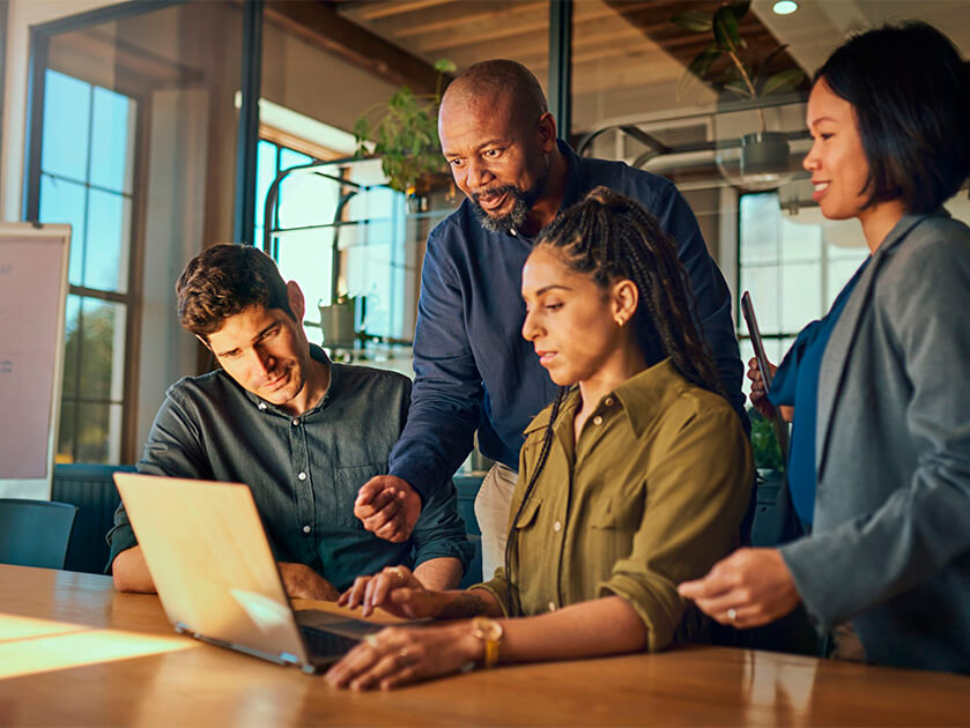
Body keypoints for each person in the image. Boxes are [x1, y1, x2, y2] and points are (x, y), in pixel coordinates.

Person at [325, 188, 753, 691]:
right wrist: (435, 604)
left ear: (622, 302)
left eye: (552, 304)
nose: (529, 329)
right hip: (545, 700)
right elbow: (517, 592)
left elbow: (641, 610)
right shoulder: (543, 434)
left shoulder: (697, 427)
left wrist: (468, 641)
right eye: (528, 307)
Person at [353, 59, 747, 579]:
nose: (475, 179)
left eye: (492, 152)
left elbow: (707, 360)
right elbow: (447, 392)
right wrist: (410, 479)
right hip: (521, 484)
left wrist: (696, 475)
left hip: (647, 475)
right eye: (456, 161)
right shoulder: (454, 247)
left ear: (544, 133)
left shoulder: (646, 207)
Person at [679, 22, 970, 673]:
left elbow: (962, 478)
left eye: (827, 136)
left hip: (919, 643)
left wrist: (805, 571)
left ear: (895, 131)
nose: (809, 158)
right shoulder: (881, 272)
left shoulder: (933, 262)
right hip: (870, 619)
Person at [107, 244, 472, 598]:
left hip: (378, 632)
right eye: (233, 353)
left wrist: (413, 612)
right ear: (210, 348)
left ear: (295, 303)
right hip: (252, 636)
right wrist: (284, 579)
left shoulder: (393, 399)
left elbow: (441, 541)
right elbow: (130, 563)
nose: (262, 367)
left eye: (267, 334)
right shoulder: (192, 411)